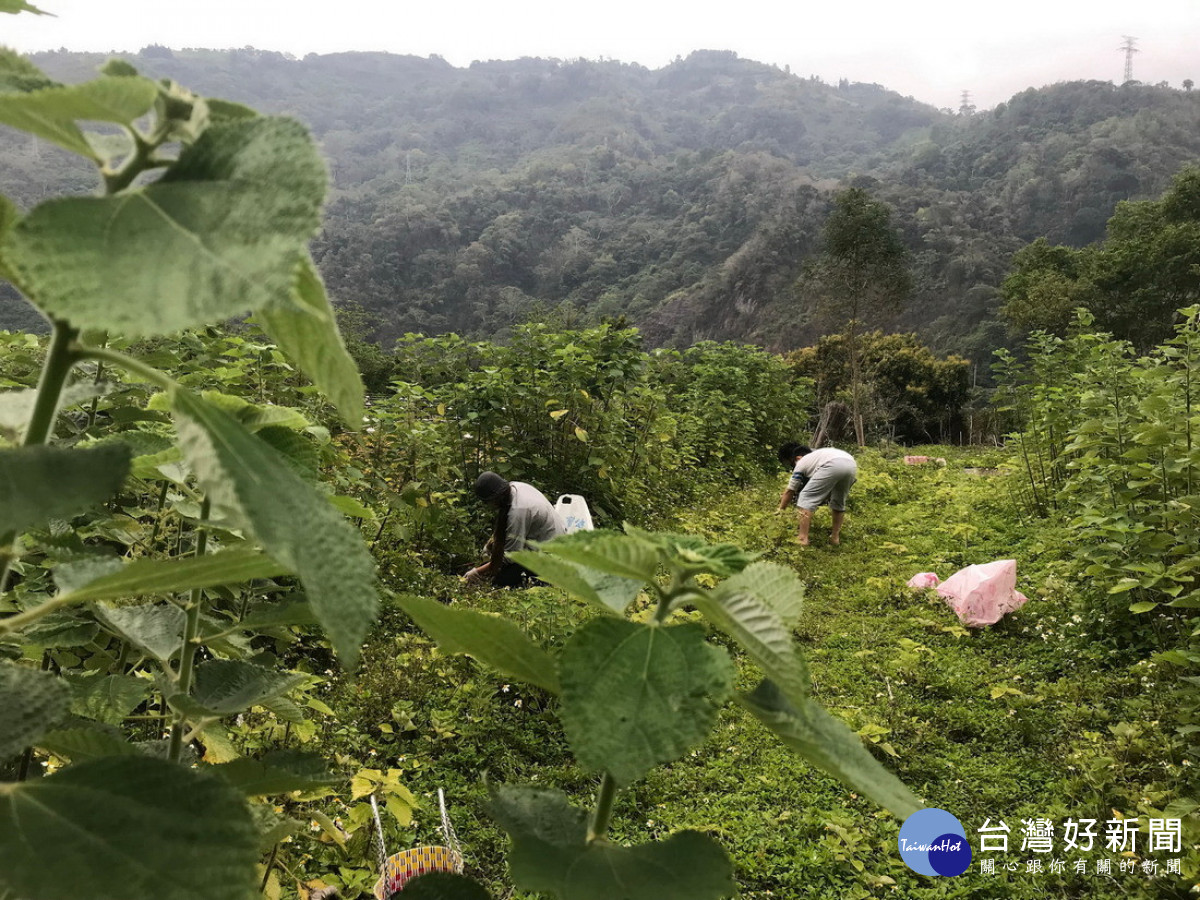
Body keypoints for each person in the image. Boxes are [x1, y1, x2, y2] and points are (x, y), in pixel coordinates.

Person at [463, 471, 566, 587]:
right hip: (544, 541)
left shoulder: (519, 511)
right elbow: (503, 524)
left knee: (500, 583)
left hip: (551, 556)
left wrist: (478, 572)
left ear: (495, 499)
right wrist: (490, 545)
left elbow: (510, 557)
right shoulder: (514, 488)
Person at [776, 442, 857, 546]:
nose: (793, 466)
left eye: (792, 463)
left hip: (832, 464)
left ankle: (802, 538)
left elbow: (790, 490)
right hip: (851, 464)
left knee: (805, 497)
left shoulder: (801, 462)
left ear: (798, 458)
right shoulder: (816, 456)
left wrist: (780, 510)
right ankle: (835, 538)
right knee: (838, 501)